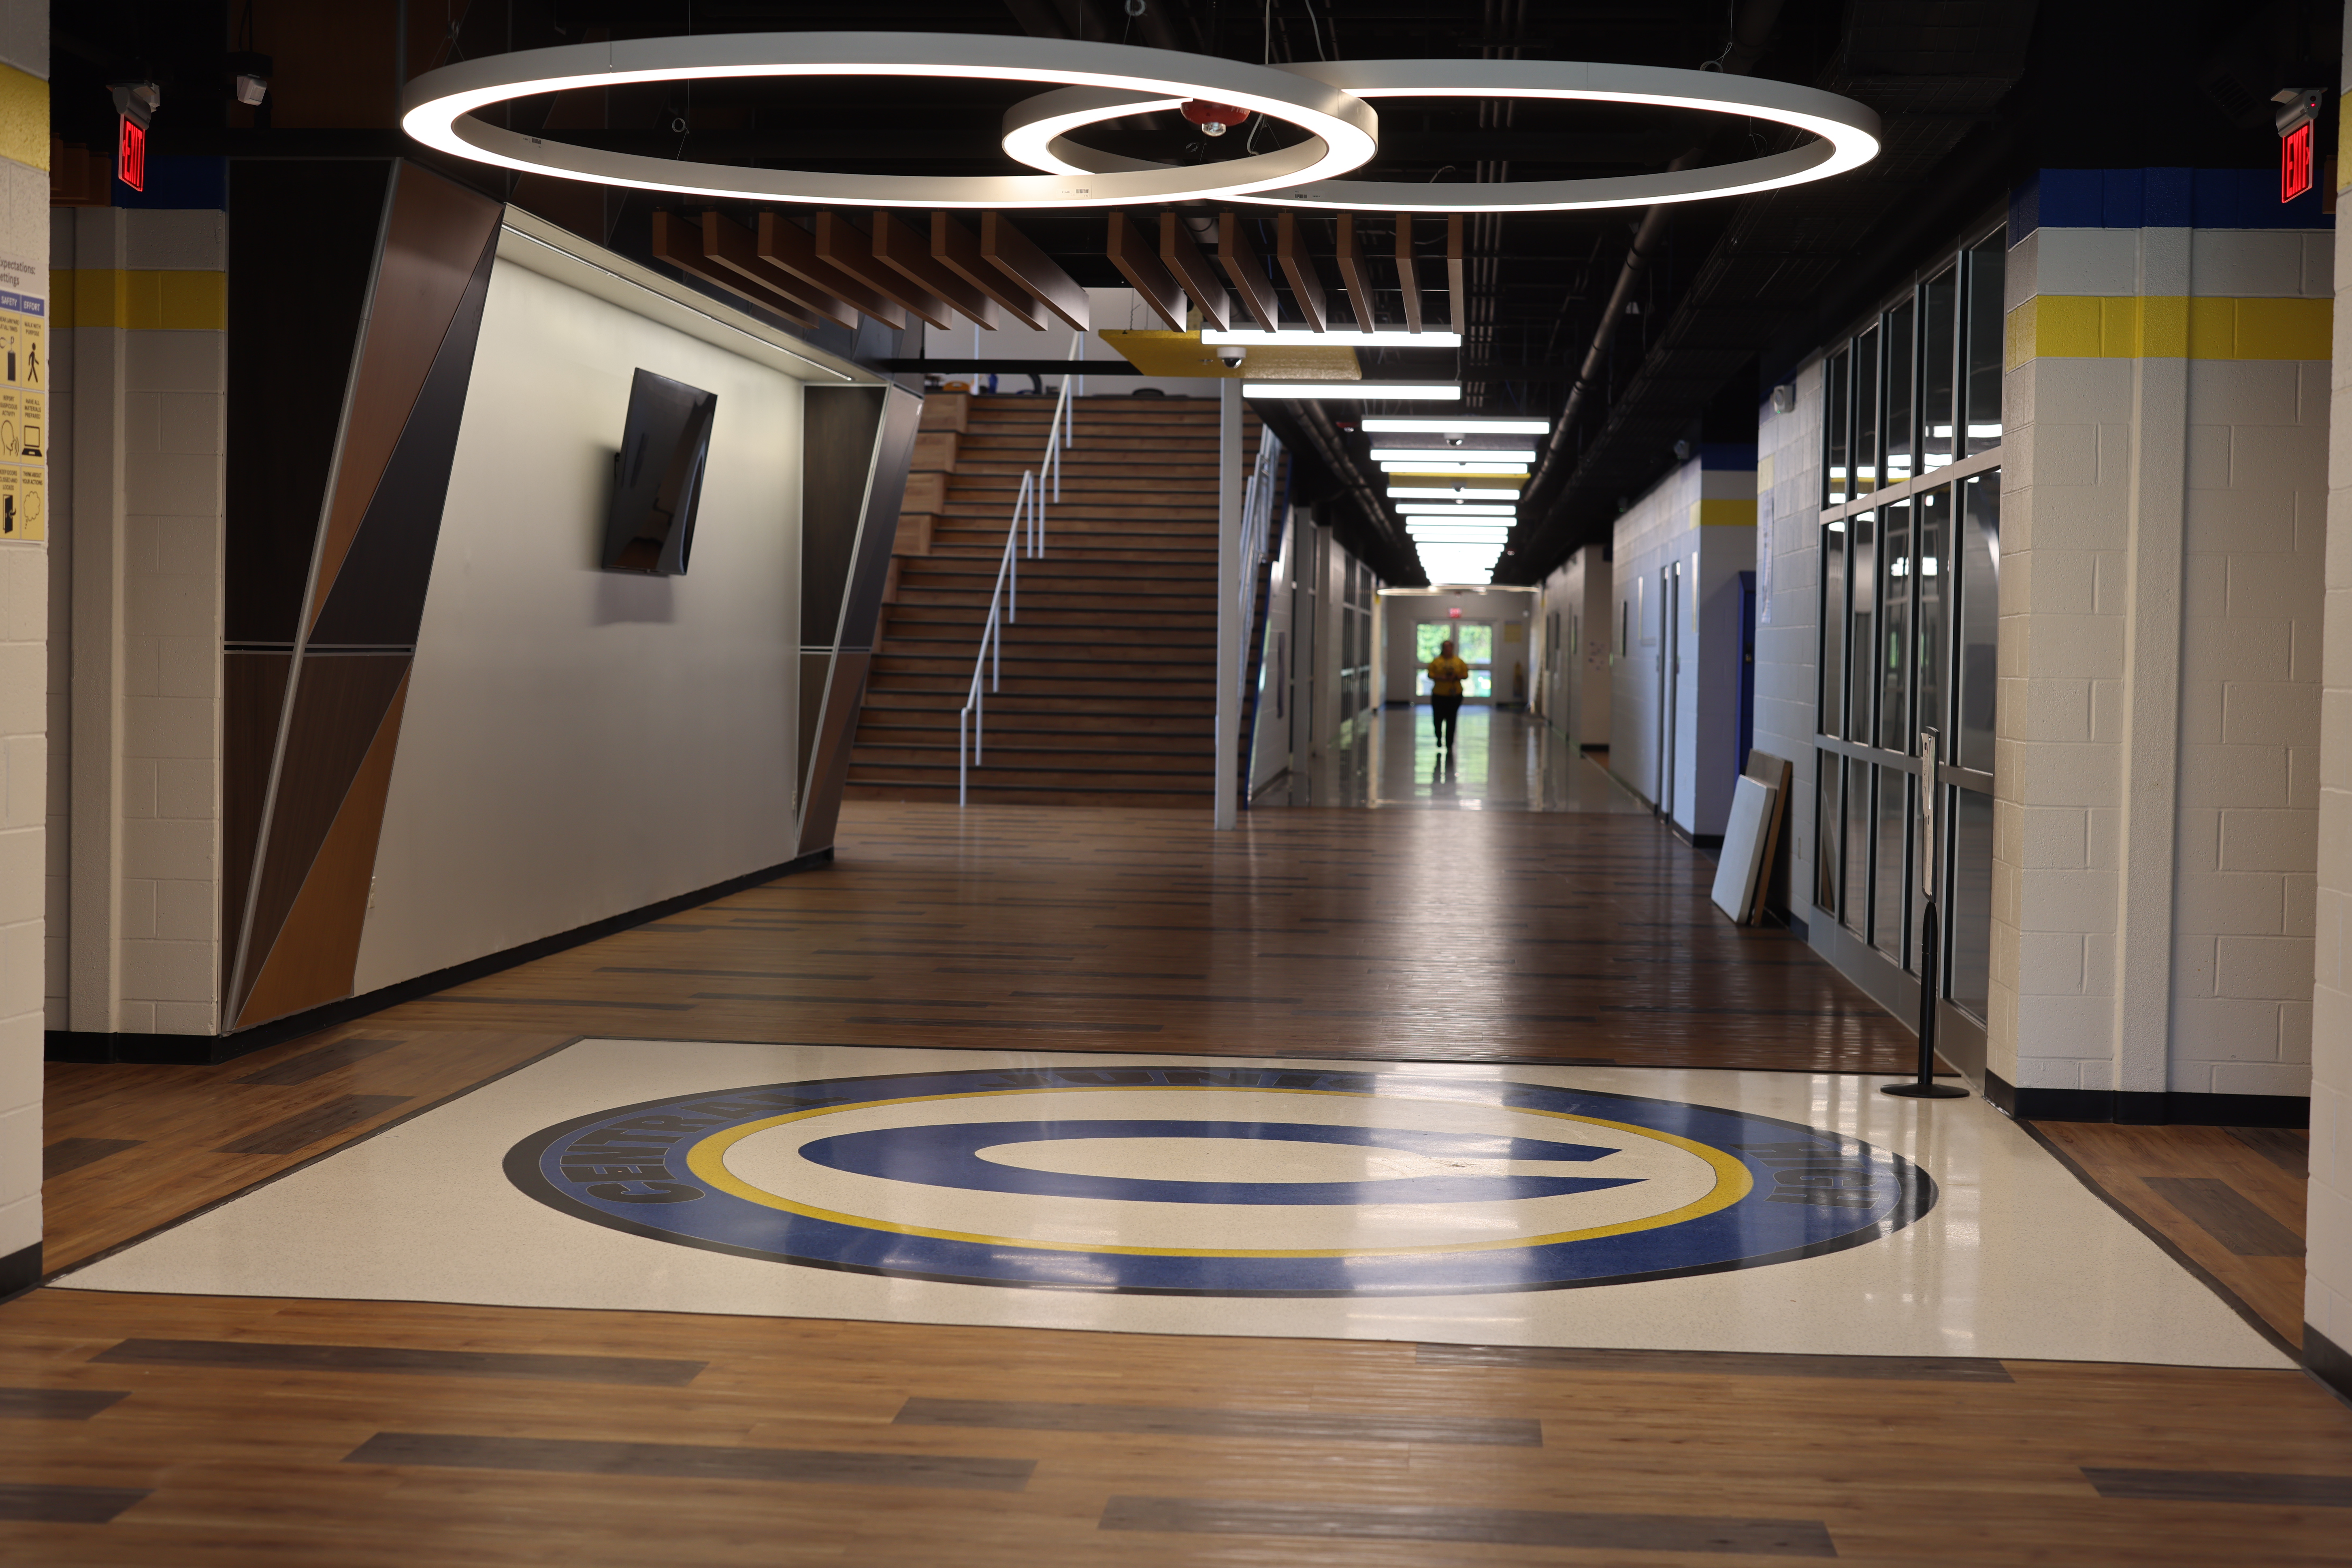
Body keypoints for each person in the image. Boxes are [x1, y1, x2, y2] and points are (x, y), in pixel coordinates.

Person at [1426, 638, 1469, 752]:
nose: (1447, 649)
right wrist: (1442, 678)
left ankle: (1450, 743)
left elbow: (1465, 675)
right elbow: (1430, 674)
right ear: (1443, 649)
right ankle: (1439, 738)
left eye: (1449, 647)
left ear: (1452, 648)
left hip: (1454, 695)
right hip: (1439, 695)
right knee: (1438, 719)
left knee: (1452, 719)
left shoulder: (1459, 662)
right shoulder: (1436, 662)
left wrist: (1456, 677)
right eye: (1445, 647)